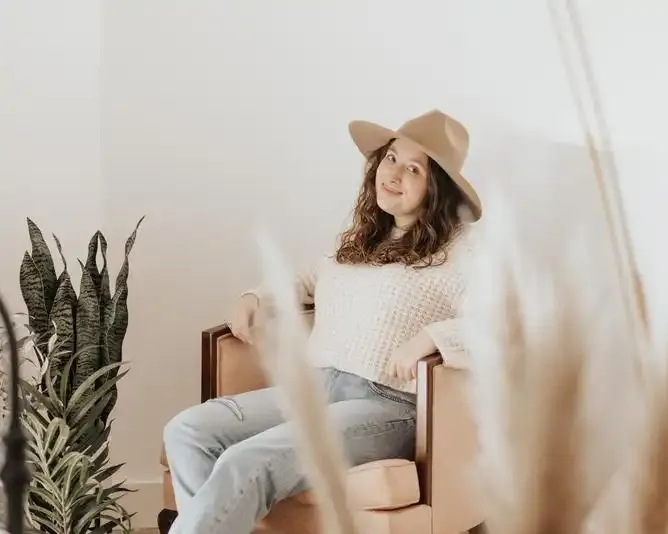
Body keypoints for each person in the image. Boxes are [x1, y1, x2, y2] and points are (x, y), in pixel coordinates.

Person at [163, 109, 482, 533]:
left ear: (436, 188)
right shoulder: (362, 239)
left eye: (414, 169)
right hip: (317, 386)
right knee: (187, 431)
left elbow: (505, 326)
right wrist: (254, 296)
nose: (393, 173)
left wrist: (431, 338)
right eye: (391, 158)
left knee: (248, 460)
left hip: (388, 404)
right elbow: (306, 279)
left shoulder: (464, 252)